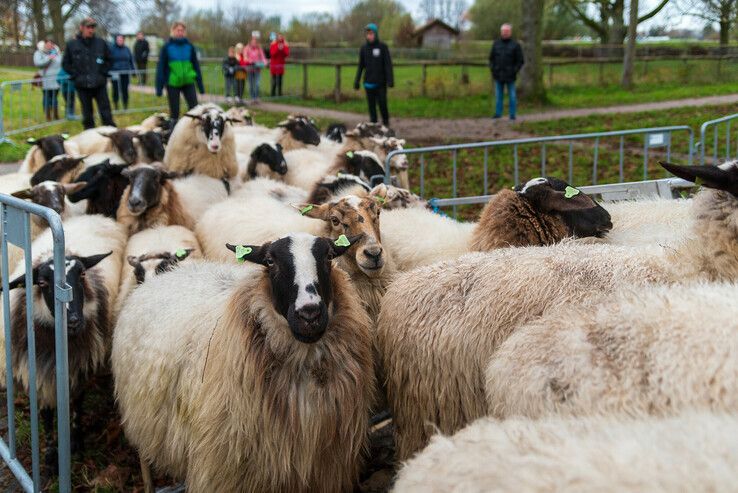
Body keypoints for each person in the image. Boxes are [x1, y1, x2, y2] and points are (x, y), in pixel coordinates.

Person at [62, 17, 115, 129]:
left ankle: (111, 132)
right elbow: (65, 63)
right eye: (88, 27)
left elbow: (109, 59)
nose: (91, 30)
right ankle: (89, 136)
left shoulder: (101, 43)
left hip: (99, 84)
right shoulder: (72, 44)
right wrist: (76, 75)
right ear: (81, 28)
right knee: (87, 114)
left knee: (105, 111)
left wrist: (102, 73)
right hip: (82, 86)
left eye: (93, 27)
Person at [155, 21, 205, 121]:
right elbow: (161, 67)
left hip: (188, 81)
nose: (180, 32)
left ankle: (193, 132)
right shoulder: (167, 47)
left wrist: (200, 85)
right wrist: (159, 87)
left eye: (182, 30)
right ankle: (173, 132)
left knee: (194, 109)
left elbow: (196, 65)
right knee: (174, 112)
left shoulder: (189, 47)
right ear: (173, 31)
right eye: (178, 30)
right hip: (172, 83)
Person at [353, 23, 393, 127]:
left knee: (382, 104)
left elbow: (388, 64)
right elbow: (361, 66)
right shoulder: (364, 48)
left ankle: (386, 123)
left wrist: (390, 79)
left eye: (371, 33)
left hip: (380, 83)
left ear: (375, 34)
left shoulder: (382, 47)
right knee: (371, 107)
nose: (369, 36)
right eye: (367, 34)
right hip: (368, 83)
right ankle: (374, 126)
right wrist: (357, 81)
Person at [489, 23, 524, 121]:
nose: (505, 33)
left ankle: (512, 115)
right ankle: (498, 113)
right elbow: (491, 59)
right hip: (498, 75)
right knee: (498, 96)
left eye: (507, 31)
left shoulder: (516, 45)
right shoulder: (496, 44)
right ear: (501, 32)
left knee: (512, 96)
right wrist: (493, 69)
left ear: (510, 32)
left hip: (510, 76)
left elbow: (520, 61)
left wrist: (514, 71)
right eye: (503, 31)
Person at [34, 39, 62, 121]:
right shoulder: (39, 53)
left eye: (51, 44)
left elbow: (60, 62)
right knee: (46, 97)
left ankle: (56, 115)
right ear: (45, 45)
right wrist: (48, 58)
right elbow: (38, 63)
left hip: (56, 79)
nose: (50, 46)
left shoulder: (57, 52)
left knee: (55, 98)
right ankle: (48, 116)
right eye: (48, 44)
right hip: (46, 79)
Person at [110, 34, 135, 110]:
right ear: (116, 40)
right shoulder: (112, 49)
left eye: (121, 40)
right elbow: (109, 61)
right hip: (115, 73)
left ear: (123, 40)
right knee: (115, 90)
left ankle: (125, 106)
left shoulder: (127, 49)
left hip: (125, 72)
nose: (120, 41)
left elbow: (131, 60)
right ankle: (116, 106)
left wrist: (133, 70)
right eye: (118, 40)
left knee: (125, 90)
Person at [244, 33, 266, 103]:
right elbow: (245, 58)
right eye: (252, 41)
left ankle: (256, 97)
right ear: (250, 41)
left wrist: (264, 63)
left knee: (257, 84)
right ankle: (252, 97)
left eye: (255, 42)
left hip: (257, 70)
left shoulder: (259, 49)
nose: (254, 43)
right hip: (250, 69)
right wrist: (251, 61)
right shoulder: (247, 48)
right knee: (251, 84)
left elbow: (263, 58)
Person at [269, 33, 289, 97]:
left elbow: (286, 54)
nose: (280, 38)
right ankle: (272, 94)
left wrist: (282, 49)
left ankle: (280, 94)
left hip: (281, 65)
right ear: (277, 38)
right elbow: (272, 54)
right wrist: (278, 49)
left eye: (281, 37)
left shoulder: (285, 44)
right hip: (274, 66)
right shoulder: (273, 44)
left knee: (280, 81)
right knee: (274, 81)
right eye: (279, 37)